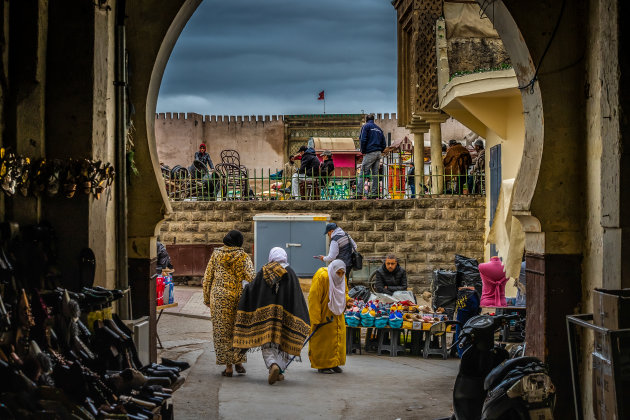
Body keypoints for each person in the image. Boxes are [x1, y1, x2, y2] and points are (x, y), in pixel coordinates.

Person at [232, 247, 310, 385]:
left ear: (271, 257)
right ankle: (279, 368)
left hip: (265, 318)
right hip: (286, 317)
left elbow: (252, 290)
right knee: (285, 345)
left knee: (267, 344)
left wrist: (245, 286)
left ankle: (273, 365)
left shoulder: (264, 270)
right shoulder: (290, 272)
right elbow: (297, 296)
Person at [203, 230, 255, 377]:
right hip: (237, 297)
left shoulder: (216, 254)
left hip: (219, 297)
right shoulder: (243, 256)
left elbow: (207, 278)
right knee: (237, 330)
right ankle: (238, 362)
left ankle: (228, 368)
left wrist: (207, 298)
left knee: (222, 332)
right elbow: (251, 277)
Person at [308, 260, 354, 374]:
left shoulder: (343, 278)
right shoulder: (322, 277)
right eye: (338, 273)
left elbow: (344, 292)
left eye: (342, 273)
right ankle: (322, 365)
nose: (340, 276)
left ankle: (334, 362)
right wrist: (316, 319)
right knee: (323, 341)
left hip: (337, 314)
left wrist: (347, 301)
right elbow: (314, 298)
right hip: (324, 315)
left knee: (337, 339)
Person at [358, 113, 386, 199]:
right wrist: (380, 150)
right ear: (373, 120)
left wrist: (363, 150)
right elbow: (384, 143)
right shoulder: (379, 129)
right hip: (378, 153)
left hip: (370, 152)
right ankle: (374, 194)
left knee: (362, 172)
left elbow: (363, 139)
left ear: (366, 120)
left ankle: (359, 194)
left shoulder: (366, 127)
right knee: (375, 174)